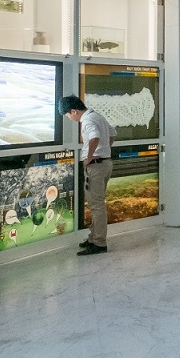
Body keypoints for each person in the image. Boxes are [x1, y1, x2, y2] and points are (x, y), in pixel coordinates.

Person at [61, 96, 114, 255]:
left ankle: (99, 243)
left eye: (67, 115)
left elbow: (94, 137)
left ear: (74, 111)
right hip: (105, 163)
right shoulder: (97, 116)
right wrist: (105, 150)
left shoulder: (88, 120)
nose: (69, 118)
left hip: (96, 166)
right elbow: (113, 133)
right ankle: (93, 237)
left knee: (96, 205)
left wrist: (89, 157)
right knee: (96, 203)